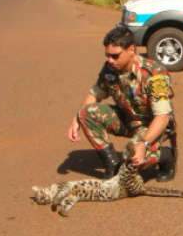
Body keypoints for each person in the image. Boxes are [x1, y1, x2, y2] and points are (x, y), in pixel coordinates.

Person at [67, 26, 176, 181]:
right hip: (128, 118)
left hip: (153, 125)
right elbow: (94, 94)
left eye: (115, 56)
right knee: (85, 112)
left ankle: (165, 155)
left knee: (131, 159)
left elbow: (162, 117)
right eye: (107, 56)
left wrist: (143, 144)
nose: (110, 60)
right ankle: (112, 164)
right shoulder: (110, 69)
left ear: (131, 49)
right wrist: (76, 119)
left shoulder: (154, 73)